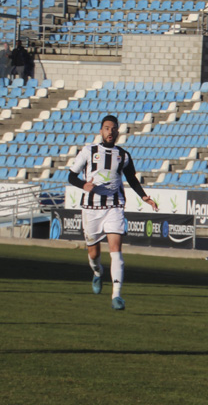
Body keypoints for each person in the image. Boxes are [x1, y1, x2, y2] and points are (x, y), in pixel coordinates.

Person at [67, 115, 157, 309]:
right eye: (107, 128)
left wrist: (144, 197)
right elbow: (71, 177)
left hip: (114, 207)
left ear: (117, 132)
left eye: (114, 129)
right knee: (93, 253)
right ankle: (98, 273)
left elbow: (132, 180)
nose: (110, 131)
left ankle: (116, 295)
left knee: (116, 250)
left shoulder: (123, 155)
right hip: (91, 209)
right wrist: (84, 185)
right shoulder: (89, 151)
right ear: (101, 131)